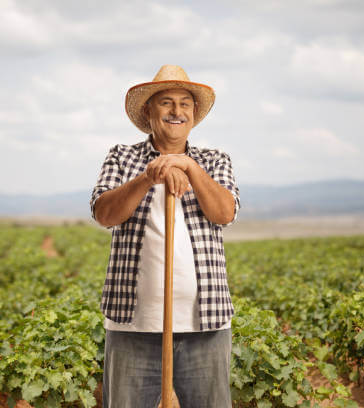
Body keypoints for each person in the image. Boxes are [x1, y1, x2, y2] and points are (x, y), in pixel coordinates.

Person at [90, 65, 240, 408]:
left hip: (205, 323)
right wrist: (148, 177)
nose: (176, 111)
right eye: (166, 103)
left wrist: (187, 167)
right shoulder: (122, 157)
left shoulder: (214, 161)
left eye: (185, 104)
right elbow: (104, 214)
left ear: (194, 114)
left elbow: (224, 213)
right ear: (148, 111)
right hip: (132, 325)